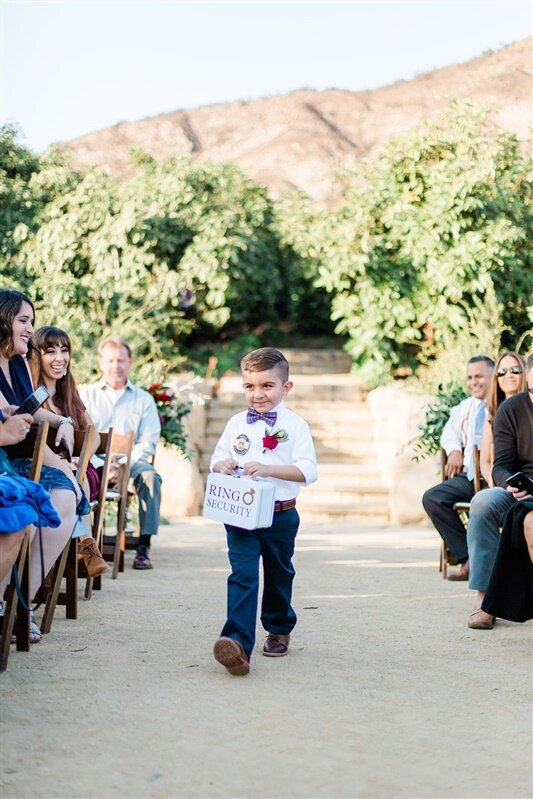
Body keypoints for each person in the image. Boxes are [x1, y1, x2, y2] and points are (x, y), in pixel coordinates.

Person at [210, 347, 317, 676]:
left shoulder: (295, 426)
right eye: (250, 387)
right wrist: (222, 464)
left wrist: (270, 469)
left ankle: (279, 626)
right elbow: (216, 460)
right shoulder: (234, 423)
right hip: (240, 513)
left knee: (278, 572)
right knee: (242, 575)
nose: (257, 394)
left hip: (279, 514)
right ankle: (237, 643)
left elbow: (307, 472)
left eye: (267, 386)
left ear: (286, 387)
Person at [0, 289, 89, 641]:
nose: (29, 330)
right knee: (50, 502)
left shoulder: (19, 363)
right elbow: (11, 419)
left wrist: (61, 421)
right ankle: (9, 603)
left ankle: (24, 602)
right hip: (16, 456)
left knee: (66, 497)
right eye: (23, 321)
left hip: (22, 453)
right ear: (3, 320)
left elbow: (31, 408)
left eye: (31, 322)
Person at [31, 326, 108, 578]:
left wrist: (80, 459)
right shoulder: (31, 396)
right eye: (50, 351)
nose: (59, 358)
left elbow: (93, 433)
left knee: (79, 480)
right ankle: (86, 545)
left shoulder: (69, 393)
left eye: (64, 351)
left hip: (81, 469)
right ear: (37, 356)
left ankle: (86, 546)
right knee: (67, 484)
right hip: (45, 467)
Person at [79, 336, 162, 570]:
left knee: (150, 478)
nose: (116, 365)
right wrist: (102, 465)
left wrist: (122, 465)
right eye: (111, 360)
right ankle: (85, 543)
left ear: (130, 362)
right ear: (101, 362)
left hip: (132, 461)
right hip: (94, 460)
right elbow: (82, 437)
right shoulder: (87, 396)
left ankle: (144, 546)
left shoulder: (144, 399)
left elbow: (149, 441)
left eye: (121, 360)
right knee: (77, 476)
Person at [467, 353, 533, 629]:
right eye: (532, 390)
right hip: (521, 490)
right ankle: (486, 600)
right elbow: (501, 465)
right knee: (483, 502)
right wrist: (512, 482)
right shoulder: (511, 409)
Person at [422, 355, 495, 580]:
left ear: (493, 376)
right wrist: (454, 449)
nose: (473, 382)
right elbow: (449, 433)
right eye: (470, 377)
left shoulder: (505, 404)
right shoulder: (466, 407)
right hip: (469, 478)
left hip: (495, 479)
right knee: (433, 498)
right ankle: (468, 559)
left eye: (479, 376)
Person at [479, 352, 526, 486]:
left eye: (515, 370)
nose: (508, 375)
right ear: (496, 378)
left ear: (525, 374)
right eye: (502, 372)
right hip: (503, 483)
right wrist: (494, 482)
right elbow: (485, 462)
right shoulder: (492, 414)